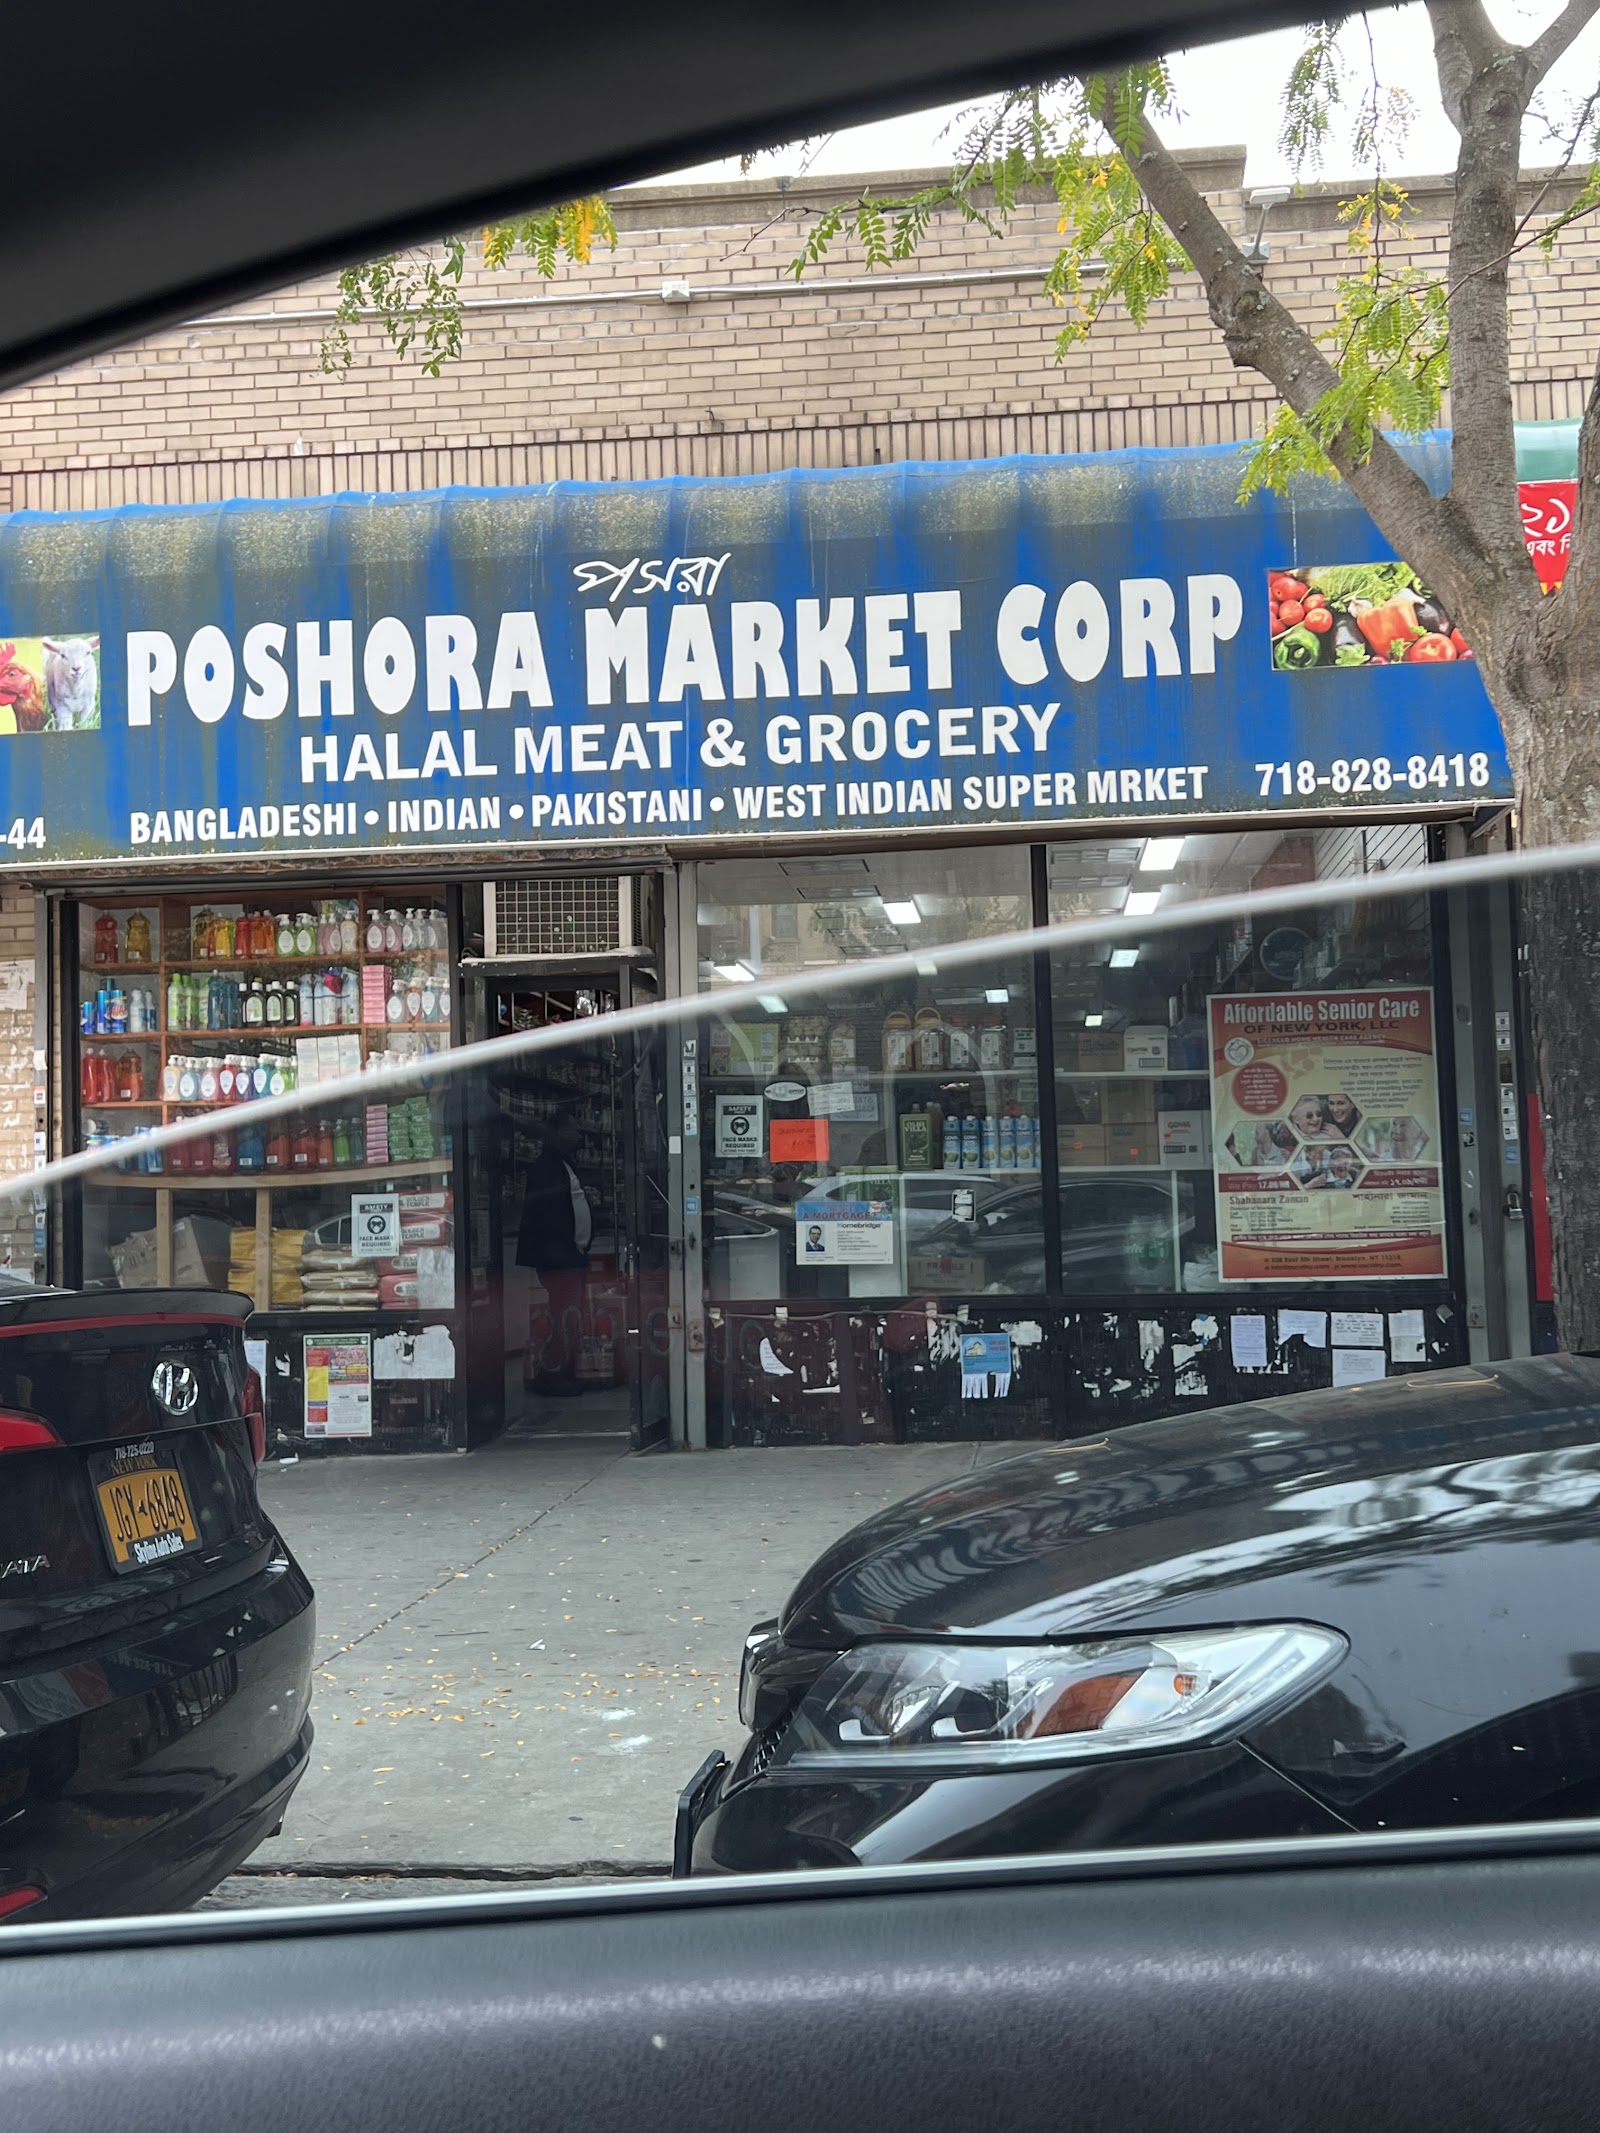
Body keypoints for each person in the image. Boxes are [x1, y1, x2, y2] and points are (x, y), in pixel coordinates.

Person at [516, 1108, 591, 1396]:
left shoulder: (561, 1164)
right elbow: (550, 1216)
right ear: (558, 1133)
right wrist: (568, 1250)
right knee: (563, 1316)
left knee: (568, 1315)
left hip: (568, 1255)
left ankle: (563, 1371)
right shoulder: (547, 1167)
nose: (578, 1135)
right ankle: (553, 1374)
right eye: (573, 1130)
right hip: (559, 1258)